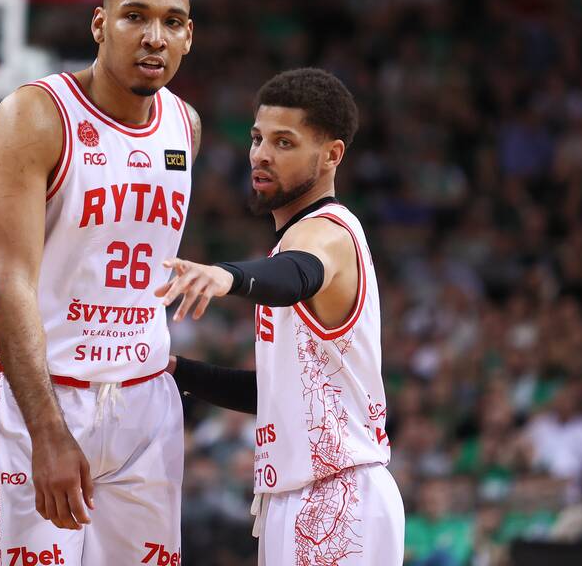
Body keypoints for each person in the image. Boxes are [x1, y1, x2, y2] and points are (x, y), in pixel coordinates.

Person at [0, 0, 200, 566]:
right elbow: (8, 279)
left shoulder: (186, 126)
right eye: (135, 16)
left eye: (171, 22)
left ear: (187, 38)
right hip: (40, 398)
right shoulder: (34, 116)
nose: (154, 36)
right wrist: (46, 429)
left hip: (144, 399)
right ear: (101, 23)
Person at [159, 68, 404, 565]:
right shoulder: (292, 240)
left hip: (338, 497)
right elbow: (276, 396)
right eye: (257, 138)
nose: (261, 154)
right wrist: (176, 371)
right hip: (300, 495)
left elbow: (299, 273)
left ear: (332, 155)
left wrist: (229, 276)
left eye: (284, 142)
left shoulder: (328, 232)